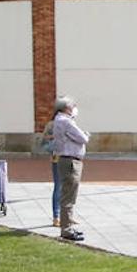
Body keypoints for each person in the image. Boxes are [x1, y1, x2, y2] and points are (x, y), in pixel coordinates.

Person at [54, 96, 90, 241]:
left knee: (68, 194)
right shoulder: (66, 122)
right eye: (72, 106)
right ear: (66, 108)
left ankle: (67, 226)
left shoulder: (59, 120)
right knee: (69, 196)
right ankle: (67, 229)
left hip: (66, 160)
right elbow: (83, 138)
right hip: (70, 161)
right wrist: (86, 135)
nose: (74, 108)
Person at [40, 98, 66, 227]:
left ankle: (66, 216)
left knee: (68, 188)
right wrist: (54, 137)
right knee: (58, 186)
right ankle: (56, 216)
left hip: (69, 157)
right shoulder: (52, 124)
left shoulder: (69, 122)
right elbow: (43, 140)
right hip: (57, 158)